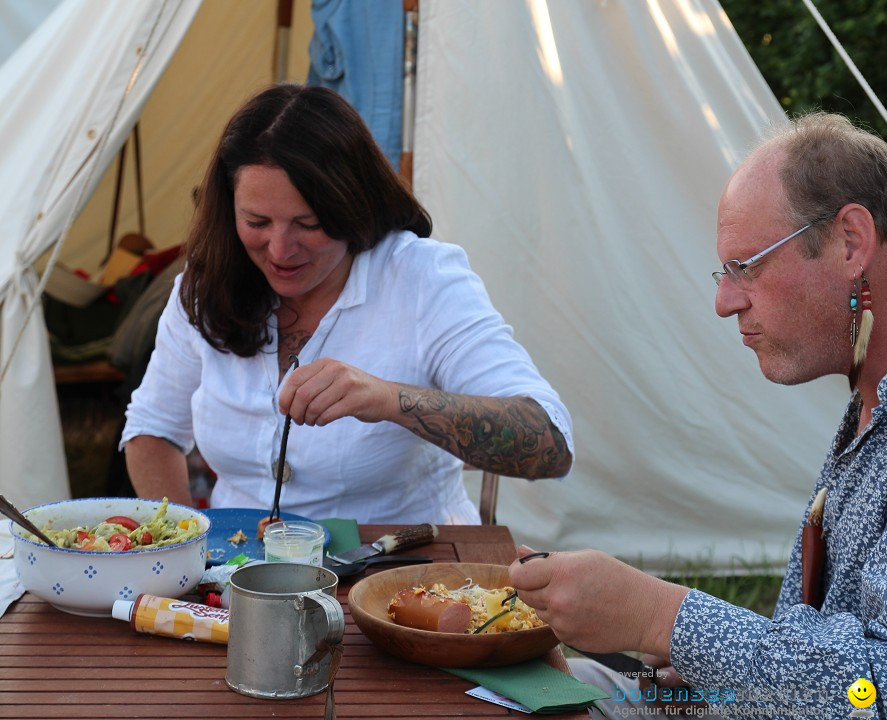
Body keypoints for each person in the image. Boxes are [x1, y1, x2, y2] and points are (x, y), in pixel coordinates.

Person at [510, 112, 887, 717]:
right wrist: (723, 668)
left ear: (850, 242)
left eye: (746, 267)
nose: (725, 302)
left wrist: (661, 619)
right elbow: (856, 657)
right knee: (513, 692)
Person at [121, 84, 573, 523]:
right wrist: (188, 544)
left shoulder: (422, 279)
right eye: (257, 221)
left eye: (308, 223)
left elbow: (549, 442)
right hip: (240, 571)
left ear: (354, 206)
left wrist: (390, 399)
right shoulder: (206, 287)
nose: (279, 250)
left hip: (403, 574)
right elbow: (152, 430)